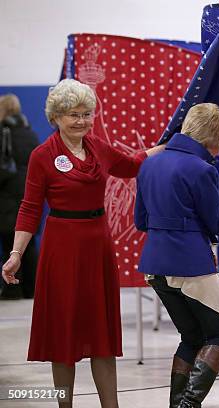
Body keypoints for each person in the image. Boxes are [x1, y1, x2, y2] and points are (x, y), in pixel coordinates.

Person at [1, 79, 165, 408]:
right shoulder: (42, 155)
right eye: (73, 114)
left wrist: (173, 144)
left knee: (101, 335)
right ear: (56, 117)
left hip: (97, 245)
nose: (81, 121)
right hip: (61, 247)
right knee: (64, 334)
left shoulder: (98, 147)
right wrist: (16, 253)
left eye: (87, 113)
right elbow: (30, 207)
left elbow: (131, 164)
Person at [134, 103, 219, 408]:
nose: (218, 152)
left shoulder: (149, 164)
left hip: (155, 264)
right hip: (192, 264)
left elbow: (140, 221)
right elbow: (216, 222)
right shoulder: (202, 169)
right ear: (211, 137)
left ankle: (177, 405)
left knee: (191, 337)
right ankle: (188, 405)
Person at [0, 94, 39, 299]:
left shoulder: (3, 132)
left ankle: (12, 289)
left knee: (10, 244)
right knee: (29, 243)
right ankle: (31, 288)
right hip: (29, 192)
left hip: (7, 195)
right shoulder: (29, 132)